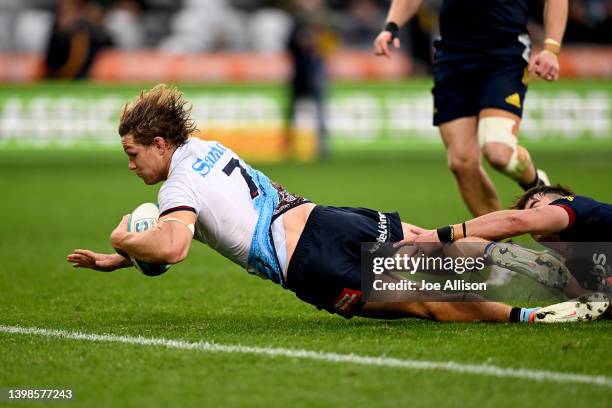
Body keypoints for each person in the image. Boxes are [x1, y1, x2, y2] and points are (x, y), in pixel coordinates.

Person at [66, 85, 603, 324]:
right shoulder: (203, 149)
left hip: (309, 260)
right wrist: (129, 258)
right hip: (327, 217)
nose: (131, 164)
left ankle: (535, 316)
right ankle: (576, 277)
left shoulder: (175, 191)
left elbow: (176, 245)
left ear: (160, 144)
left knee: (427, 300)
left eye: (133, 153)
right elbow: (213, 218)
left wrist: (121, 238)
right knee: (428, 247)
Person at [373, 0, 568, 217]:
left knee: (498, 152)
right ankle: (501, 246)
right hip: (453, 56)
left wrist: (551, 48)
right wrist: (391, 26)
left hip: (504, 52)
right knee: (461, 162)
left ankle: (536, 183)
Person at [408, 185, 612, 294]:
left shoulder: (579, 208)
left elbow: (516, 221)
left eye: (535, 207)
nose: (533, 225)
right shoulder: (572, 264)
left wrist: (442, 234)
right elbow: (593, 302)